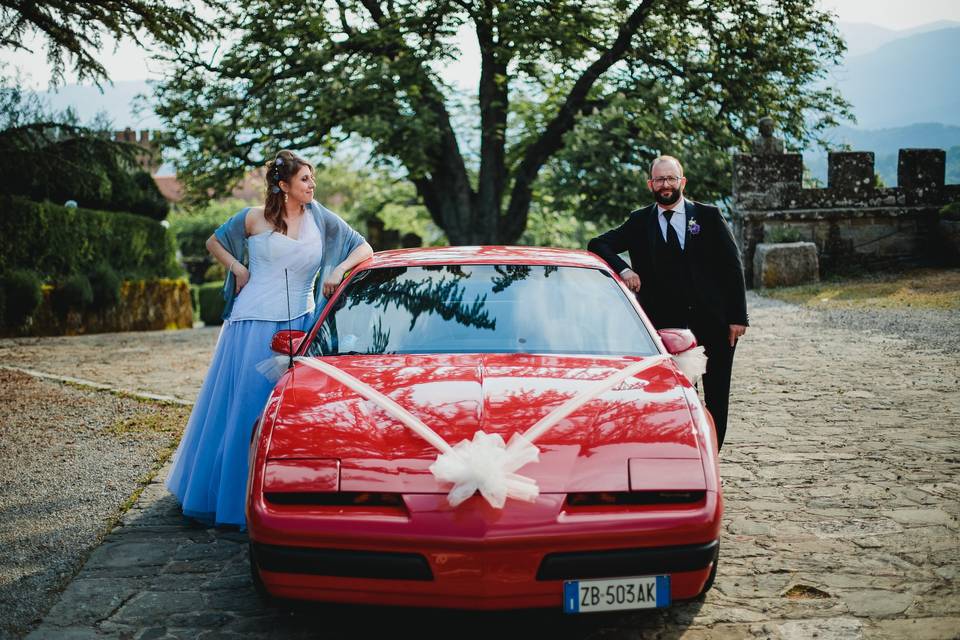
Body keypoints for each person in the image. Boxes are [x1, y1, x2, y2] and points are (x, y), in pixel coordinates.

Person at [166, 150, 373, 527]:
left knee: (295, 411)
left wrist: (339, 269)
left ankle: (293, 492)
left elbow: (364, 247)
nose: (313, 186)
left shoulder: (321, 219)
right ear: (283, 186)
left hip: (301, 324)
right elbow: (214, 242)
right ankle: (231, 499)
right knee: (247, 407)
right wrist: (238, 267)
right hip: (252, 324)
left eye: (312, 179)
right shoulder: (252, 218)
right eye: (305, 180)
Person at [587, 155, 747, 450]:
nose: (665, 185)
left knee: (716, 393)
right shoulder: (639, 221)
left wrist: (738, 317)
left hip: (714, 321)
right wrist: (624, 269)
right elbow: (598, 244)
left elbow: (731, 266)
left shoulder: (708, 216)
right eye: (659, 179)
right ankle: (684, 454)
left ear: (682, 182)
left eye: (670, 178)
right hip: (665, 325)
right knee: (677, 394)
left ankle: (712, 455)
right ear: (650, 184)